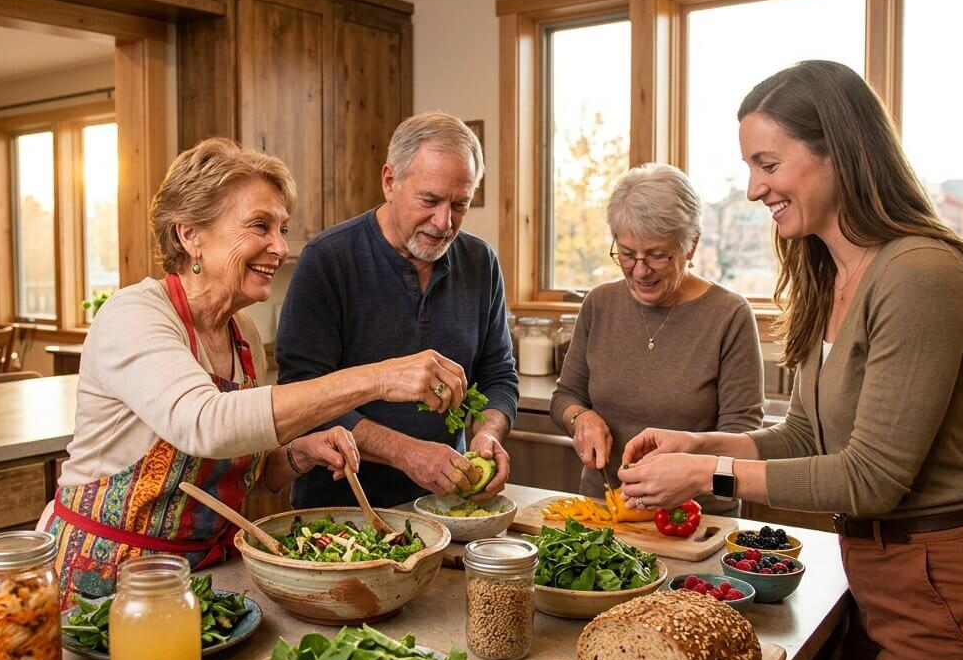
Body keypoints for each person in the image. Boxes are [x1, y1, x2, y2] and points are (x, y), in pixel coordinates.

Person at [618, 60, 963, 660]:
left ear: (836, 150)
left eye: (767, 163)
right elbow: (808, 438)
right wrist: (699, 442)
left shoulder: (921, 273)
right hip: (876, 584)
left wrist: (704, 473)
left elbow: (871, 478)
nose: (754, 188)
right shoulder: (831, 274)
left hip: (948, 599)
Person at [43, 138, 468, 606]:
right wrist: (379, 378)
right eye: (259, 226)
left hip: (201, 584)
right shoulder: (135, 315)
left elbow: (244, 464)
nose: (281, 247)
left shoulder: (241, 334)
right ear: (191, 234)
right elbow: (204, 423)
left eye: (282, 228)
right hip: (105, 591)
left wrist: (300, 454)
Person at [276, 112, 518, 508]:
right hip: (341, 511)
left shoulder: (481, 263)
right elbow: (301, 400)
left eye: (461, 204)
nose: (445, 222)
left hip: (446, 506)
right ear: (390, 181)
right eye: (430, 200)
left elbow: (498, 376)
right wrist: (407, 453)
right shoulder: (327, 260)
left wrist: (488, 433)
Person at [551, 163, 762, 506]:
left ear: (690, 245)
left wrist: (686, 470)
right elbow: (565, 397)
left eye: (656, 255)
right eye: (627, 254)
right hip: (605, 511)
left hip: (694, 520)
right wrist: (580, 418)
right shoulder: (599, 303)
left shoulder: (730, 315)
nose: (640, 269)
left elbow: (743, 436)